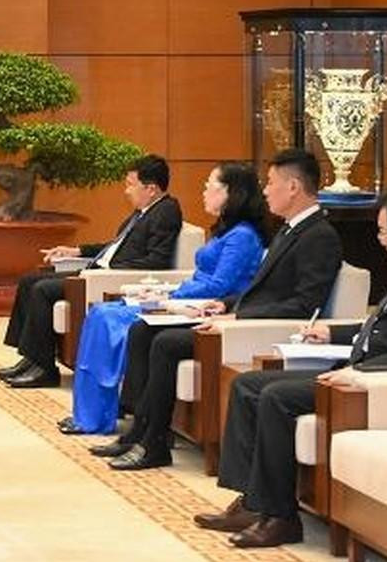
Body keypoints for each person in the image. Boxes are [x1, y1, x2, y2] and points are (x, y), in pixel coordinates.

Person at [198, 183, 387, 548]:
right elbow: (382, 327)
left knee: (277, 397)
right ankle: (253, 501)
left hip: (378, 383)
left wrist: (363, 373)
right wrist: (332, 334)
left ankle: (281, 517)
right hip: (357, 368)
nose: (380, 240)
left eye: (383, 232)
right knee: (249, 384)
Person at [97, 148, 343, 472]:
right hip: (239, 317)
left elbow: (303, 305)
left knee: (166, 342)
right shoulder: (288, 229)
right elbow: (258, 288)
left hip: (261, 330)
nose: (265, 190)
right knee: (144, 329)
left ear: (293, 187)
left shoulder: (319, 236)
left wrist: (237, 318)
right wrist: (225, 305)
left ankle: (155, 442)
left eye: (271, 183)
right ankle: (140, 431)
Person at [60, 163, 267, 435]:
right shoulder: (226, 231)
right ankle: (90, 413)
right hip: (185, 299)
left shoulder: (242, 236)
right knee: (100, 313)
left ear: (231, 193)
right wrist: (167, 291)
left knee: (108, 317)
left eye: (210, 186)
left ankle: (97, 416)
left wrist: (169, 295)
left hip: (200, 307)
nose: (203, 191)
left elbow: (219, 285)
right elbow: (200, 278)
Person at [0, 154, 184, 389]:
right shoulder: (142, 212)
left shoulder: (166, 212)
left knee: (43, 290)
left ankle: (44, 368)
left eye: (130, 185)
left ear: (151, 188)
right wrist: (76, 251)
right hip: (98, 271)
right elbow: (115, 246)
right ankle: (31, 358)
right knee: (28, 281)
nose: (126, 191)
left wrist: (109, 271)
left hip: (107, 279)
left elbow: (157, 261)